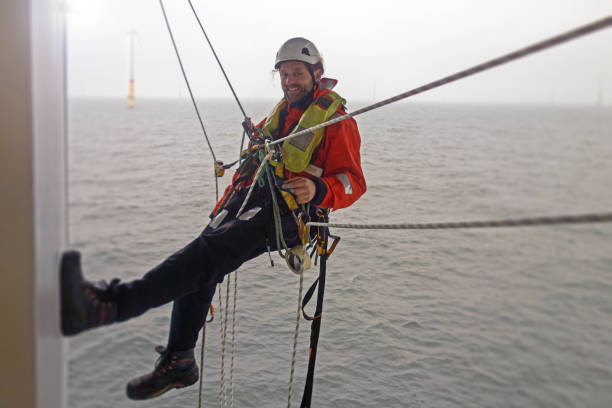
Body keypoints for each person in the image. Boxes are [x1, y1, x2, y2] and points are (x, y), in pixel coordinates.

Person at [60, 37, 366, 400]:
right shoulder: (283, 112)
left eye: (297, 73)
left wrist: (318, 190)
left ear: (317, 75)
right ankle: (180, 359)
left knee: (204, 257)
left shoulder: (335, 120)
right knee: (201, 263)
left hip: (285, 215)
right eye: (283, 74)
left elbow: (353, 181)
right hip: (251, 201)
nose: (289, 81)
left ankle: (109, 306)